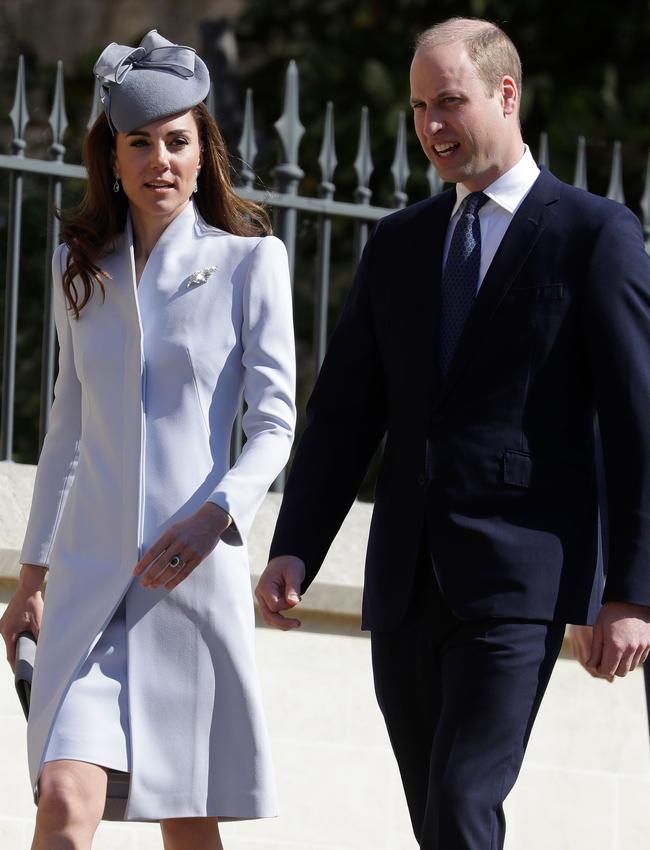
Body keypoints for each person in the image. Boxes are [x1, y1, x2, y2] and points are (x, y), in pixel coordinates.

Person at [254, 16, 650, 850]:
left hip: (520, 582)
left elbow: (634, 421)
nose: (432, 125)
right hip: (404, 582)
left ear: (507, 95)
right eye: (419, 108)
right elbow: (345, 412)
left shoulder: (593, 234)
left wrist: (629, 591)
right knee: (438, 819)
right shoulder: (398, 243)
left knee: (467, 799)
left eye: (451, 102)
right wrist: (295, 546)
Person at [0, 29, 295, 850]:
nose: (159, 160)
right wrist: (29, 578)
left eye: (177, 141)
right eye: (140, 143)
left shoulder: (251, 263)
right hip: (87, 584)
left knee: (186, 824)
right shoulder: (77, 269)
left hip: (189, 581)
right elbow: (65, 433)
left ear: (204, 154)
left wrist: (217, 519)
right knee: (62, 796)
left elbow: (276, 423)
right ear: (114, 157)